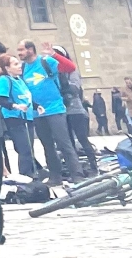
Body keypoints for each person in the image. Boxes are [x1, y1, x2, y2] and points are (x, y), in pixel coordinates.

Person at [20, 41, 84, 180]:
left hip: (55, 108)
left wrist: (54, 54)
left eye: (22, 50)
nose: (19, 53)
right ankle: (55, 176)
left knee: (64, 143)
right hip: (37, 112)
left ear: (31, 49)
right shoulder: (23, 67)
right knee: (47, 146)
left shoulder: (46, 61)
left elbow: (70, 67)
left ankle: (77, 175)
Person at [52, 46, 100, 173]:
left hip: (75, 110)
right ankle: (75, 168)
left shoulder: (72, 72)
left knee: (82, 138)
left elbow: (74, 89)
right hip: (61, 111)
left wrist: (62, 84)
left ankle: (93, 165)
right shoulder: (52, 72)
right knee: (68, 143)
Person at [0, 55, 38, 179]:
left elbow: (26, 97)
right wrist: (15, 106)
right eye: (15, 64)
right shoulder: (4, 80)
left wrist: (36, 106)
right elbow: (1, 99)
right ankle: (26, 176)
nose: (19, 66)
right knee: (25, 149)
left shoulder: (19, 79)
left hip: (27, 117)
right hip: (15, 118)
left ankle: (30, 174)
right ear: (7, 68)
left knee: (29, 149)